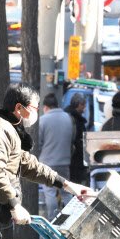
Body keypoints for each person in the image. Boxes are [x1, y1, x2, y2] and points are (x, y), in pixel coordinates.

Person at [0, 83, 90, 239]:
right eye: (34, 108)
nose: (36, 113)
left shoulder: (9, 130)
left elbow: (30, 166)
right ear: (19, 107)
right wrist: (14, 205)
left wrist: (66, 185)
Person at [38, 92, 74, 220]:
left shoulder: (43, 120)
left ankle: (52, 220)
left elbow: (38, 142)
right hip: (64, 161)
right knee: (66, 191)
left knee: (50, 192)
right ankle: (71, 218)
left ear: (45, 107)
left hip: (47, 161)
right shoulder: (67, 118)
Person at [64, 93, 88, 184]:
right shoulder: (76, 119)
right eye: (84, 104)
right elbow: (79, 139)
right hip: (75, 158)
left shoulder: (67, 115)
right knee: (75, 183)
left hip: (67, 156)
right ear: (79, 105)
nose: (85, 107)